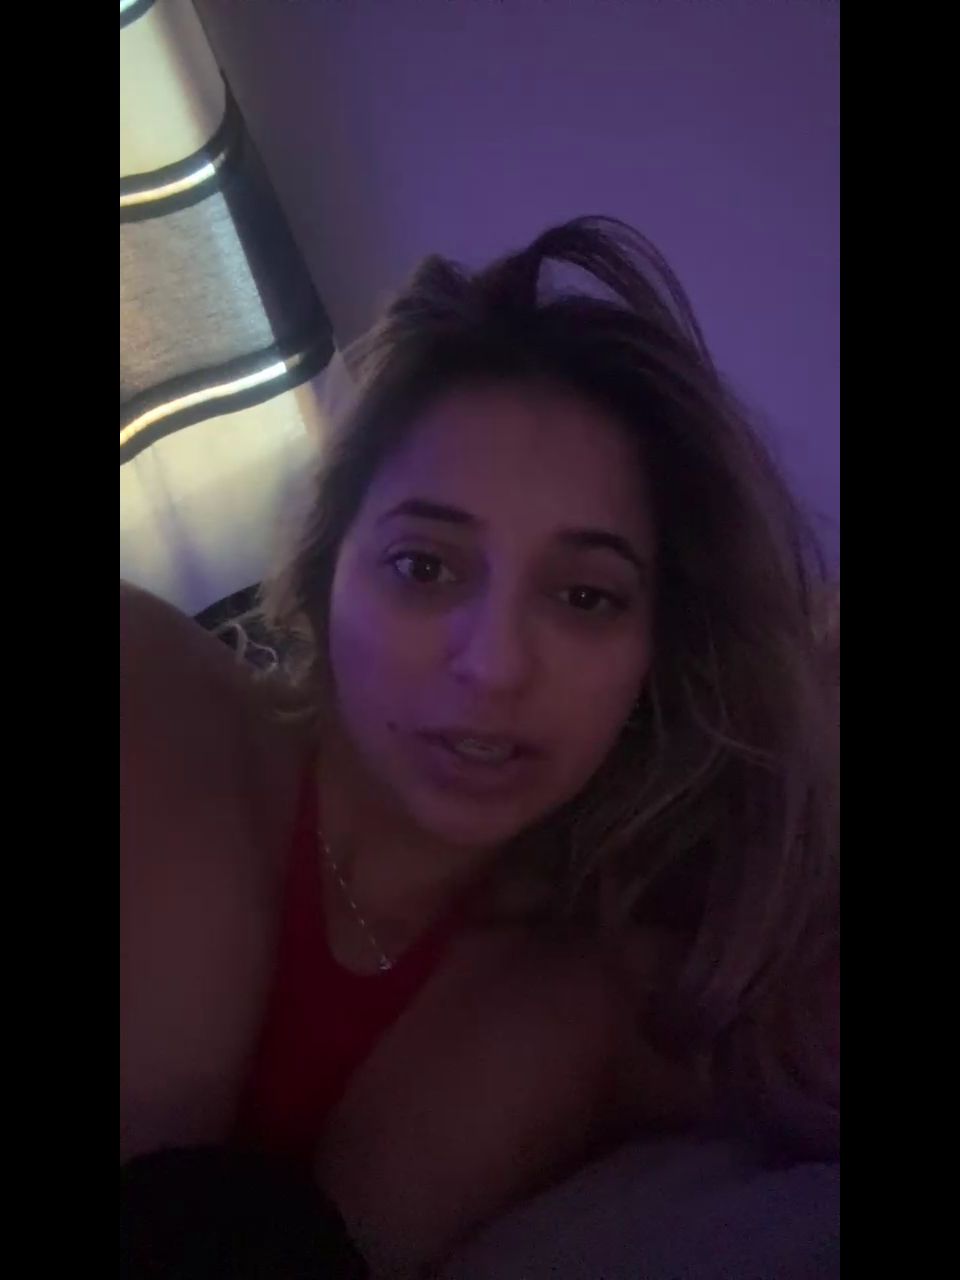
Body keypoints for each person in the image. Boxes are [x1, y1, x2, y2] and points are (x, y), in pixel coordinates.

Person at [120, 217, 839, 1278]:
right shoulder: (152, 694)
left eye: (587, 596)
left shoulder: (612, 989)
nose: (494, 666)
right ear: (329, 563)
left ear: (659, 649)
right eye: (425, 566)